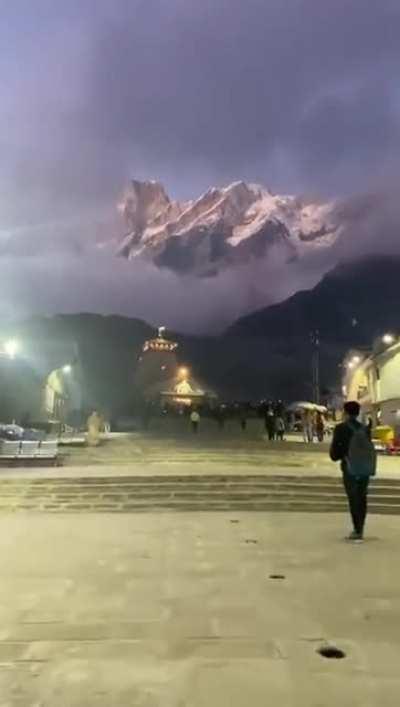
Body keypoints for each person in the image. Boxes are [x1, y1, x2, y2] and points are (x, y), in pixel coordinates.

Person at [330, 401, 377, 542]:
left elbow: (334, 454)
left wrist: (340, 454)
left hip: (349, 467)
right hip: (364, 468)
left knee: (353, 498)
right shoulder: (364, 429)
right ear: (357, 413)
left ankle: (356, 530)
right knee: (362, 498)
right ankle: (360, 529)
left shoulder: (340, 428)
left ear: (345, 412)